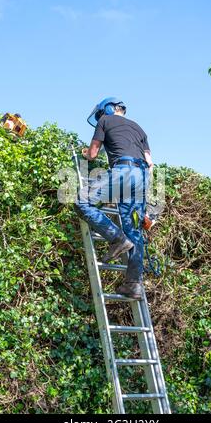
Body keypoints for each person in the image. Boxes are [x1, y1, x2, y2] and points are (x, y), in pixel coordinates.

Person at [74, 97, 154, 299]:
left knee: (81, 201)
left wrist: (85, 153)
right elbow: (150, 162)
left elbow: (93, 154)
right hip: (142, 177)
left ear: (108, 109)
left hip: (123, 170)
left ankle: (116, 238)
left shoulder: (105, 121)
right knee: (134, 231)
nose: (101, 117)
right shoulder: (138, 128)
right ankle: (133, 284)